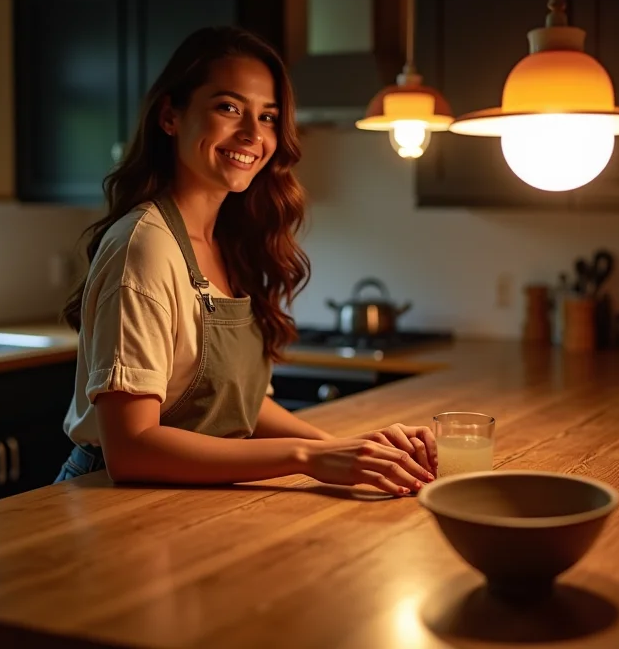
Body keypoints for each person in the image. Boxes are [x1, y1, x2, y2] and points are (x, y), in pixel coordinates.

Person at [54, 26, 437, 496]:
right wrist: (309, 457)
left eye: (269, 116)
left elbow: (244, 407)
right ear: (171, 116)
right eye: (229, 108)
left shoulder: (230, 243)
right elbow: (131, 450)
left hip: (186, 500)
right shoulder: (145, 247)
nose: (253, 134)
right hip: (110, 503)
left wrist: (350, 450)